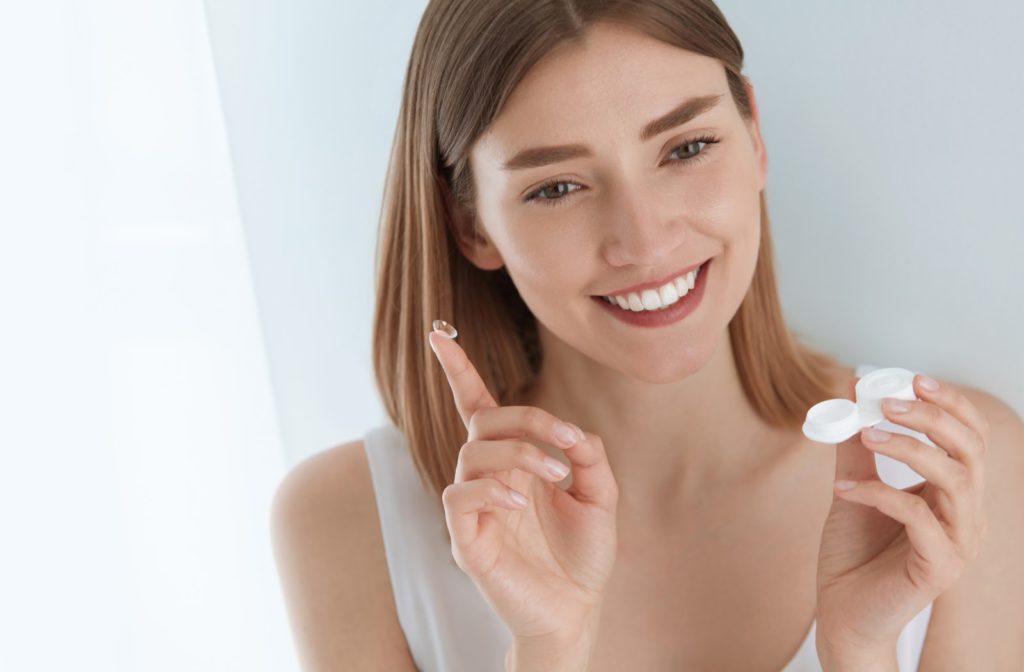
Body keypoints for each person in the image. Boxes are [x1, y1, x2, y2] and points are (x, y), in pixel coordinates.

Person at [270, 1, 1024, 670]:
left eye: (686, 147)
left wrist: (861, 655)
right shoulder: (349, 525)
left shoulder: (952, 471)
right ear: (470, 224)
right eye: (557, 187)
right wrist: (550, 650)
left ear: (753, 135)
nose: (644, 240)